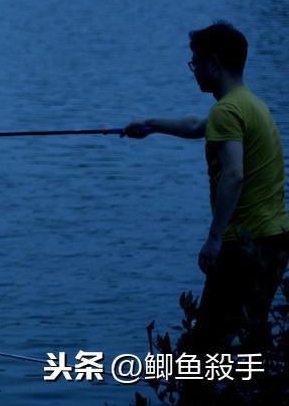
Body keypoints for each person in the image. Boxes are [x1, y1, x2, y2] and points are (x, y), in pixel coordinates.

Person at [123, 22, 289, 356]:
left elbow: (233, 176)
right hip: (274, 238)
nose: (194, 70)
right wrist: (152, 126)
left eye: (195, 62)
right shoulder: (249, 104)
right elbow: (199, 125)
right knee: (253, 336)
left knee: (205, 347)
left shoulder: (228, 112)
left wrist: (214, 239)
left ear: (214, 63)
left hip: (243, 243)